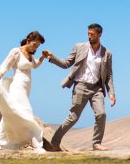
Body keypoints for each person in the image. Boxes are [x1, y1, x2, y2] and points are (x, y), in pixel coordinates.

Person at [42, 23, 115, 151]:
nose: (89, 36)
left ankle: (96, 143)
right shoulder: (79, 47)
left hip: (97, 88)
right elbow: (66, 63)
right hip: (80, 86)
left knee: (101, 114)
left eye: (92, 34)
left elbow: (109, 75)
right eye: (88, 34)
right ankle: (55, 141)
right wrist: (52, 57)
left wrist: (112, 93)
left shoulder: (106, 53)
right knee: (73, 118)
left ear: (100, 35)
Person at [0, 31, 47, 153]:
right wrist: (0, 75)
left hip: (27, 87)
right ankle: (36, 143)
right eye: (35, 44)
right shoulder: (16, 51)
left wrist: (42, 57)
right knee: (24, 111)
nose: (35, 47)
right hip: (17, 86)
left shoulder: (30, 55)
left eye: (37, 46)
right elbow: (7, 64)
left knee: (14, 113)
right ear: (28, 40)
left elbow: (34, 65)